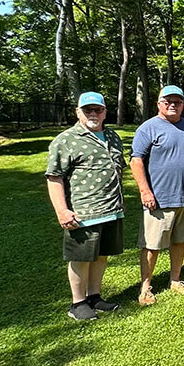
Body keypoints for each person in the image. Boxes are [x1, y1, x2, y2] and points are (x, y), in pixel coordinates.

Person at [46, 92, 126, 321]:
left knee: (101, 255)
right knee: (81, 258)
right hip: (83, 213)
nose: (93, 114)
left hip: (112, 209)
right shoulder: (66, 140)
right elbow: (54, 177)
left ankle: (94, 296)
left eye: (97, 110)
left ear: (104, 112)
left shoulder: (112, 136)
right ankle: (77, 303)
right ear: (78, 112)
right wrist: (62, 210)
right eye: (87, 110)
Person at [130, 85, 184, 306]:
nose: (173, 105)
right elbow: (136, 160)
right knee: (152, 244)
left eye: (177, 102)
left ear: (182, 104)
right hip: (159, 199)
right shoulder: (148, 128)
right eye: (168, 101)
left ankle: (175, 279)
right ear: (159, 104)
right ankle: (145, 287)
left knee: (180, 241)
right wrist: (145, 190)